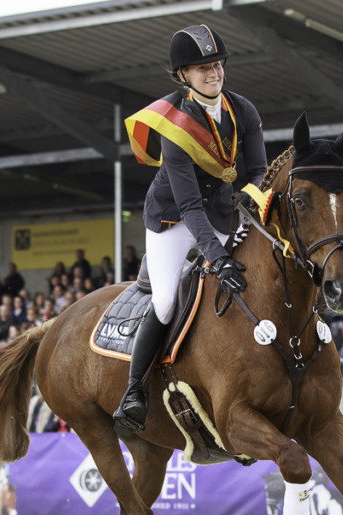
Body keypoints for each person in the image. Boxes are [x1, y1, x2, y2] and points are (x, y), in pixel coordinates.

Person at [114, 24, 267, 434]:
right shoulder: (175, 127)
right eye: (202, 68)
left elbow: (256, 171)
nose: (213, 73)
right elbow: (188, 206)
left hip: (218, 214)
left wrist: (250, 202)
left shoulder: (244, 111)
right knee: (166, 302)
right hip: (171, 220)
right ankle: (134, 391)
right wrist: (218, 258)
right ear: (183, 75)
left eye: (217, 65)